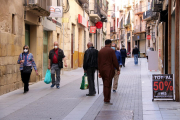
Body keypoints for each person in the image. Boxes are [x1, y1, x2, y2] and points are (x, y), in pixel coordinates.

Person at [98, 39, 120, 105]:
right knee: (108, 85)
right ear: (110, 44)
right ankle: (106, 100)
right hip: (109, 70)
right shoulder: (111, 51)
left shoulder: (100, 51)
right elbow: (115, 61)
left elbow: (98, 62)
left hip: (102, 70)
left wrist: (99, 71)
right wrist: (118, 69)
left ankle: (106, 98)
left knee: (105, 84)